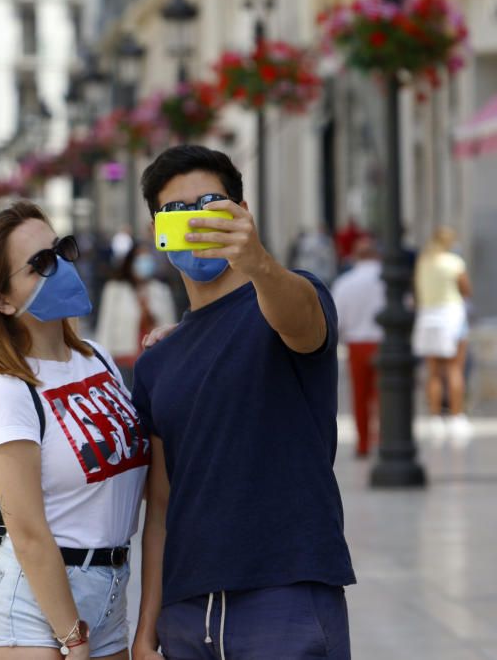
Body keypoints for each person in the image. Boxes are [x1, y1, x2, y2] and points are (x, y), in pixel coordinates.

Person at [130, 146, 355, 660]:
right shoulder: (156, 362)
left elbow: (299, 322)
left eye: (211, 203)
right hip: (187, 613)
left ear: (242, 213)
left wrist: (257, 262)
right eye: (178, 211)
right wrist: (148, 626)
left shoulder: (292, 297)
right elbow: (160, 508)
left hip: (285, 594)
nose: (197, 220)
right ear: (157, 231)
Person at [0, 202, 150, 660]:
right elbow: (27, 530)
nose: (62, 269)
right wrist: (72, 636)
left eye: (61, 250)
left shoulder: (97, 358)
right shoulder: (8, 390)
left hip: (109, 596)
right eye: (40, 265)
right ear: (2, 299)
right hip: (33, 612)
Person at [412, 226, 473, 442]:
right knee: (454, 369)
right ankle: (456, 416)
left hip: (428, 317)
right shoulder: (454, 263)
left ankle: (435, 416)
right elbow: (466, 290)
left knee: (434, 372)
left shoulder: (424, 262)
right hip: (451, 316)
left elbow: (417, 291)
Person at [331, 236, 385, 457]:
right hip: (384, 342)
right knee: (383, 397)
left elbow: (337, 318)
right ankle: (383, 441)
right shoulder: (388, 280)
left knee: (360, 396)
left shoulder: (345, 283)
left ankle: (363, 443)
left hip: (356, 344)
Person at [95, 242, 175, 389]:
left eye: (147, 257)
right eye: (140, 257)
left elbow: (170, 324)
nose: (144, 261)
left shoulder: (161, 289)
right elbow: (106, 326)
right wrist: (102, 362)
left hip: (154, 359)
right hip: (124, 358)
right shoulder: (115, 289)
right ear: (130, 261)